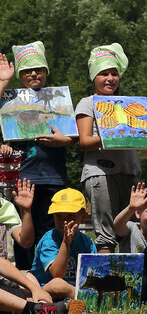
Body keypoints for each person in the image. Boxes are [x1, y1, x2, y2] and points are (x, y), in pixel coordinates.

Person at [0, 43, 75, 271]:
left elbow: (72, 136)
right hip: (22, 178)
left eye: (39, 69)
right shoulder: (8, 100)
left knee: (50, 231)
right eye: (27, 71)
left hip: (53, 178)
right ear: (20, 75)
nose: (33, 74)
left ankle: (48, 276)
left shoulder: (57, 100)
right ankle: (25, 276)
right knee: (24, 232)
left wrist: (65, 141)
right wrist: (3, 82)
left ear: (46, 72)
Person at [75, 43, 141, 253]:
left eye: (114, 73)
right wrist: (114, 134)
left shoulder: (130, 103)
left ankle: (131, 284)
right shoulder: (87, 103)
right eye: (103, 74)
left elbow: (142, 135)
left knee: (129, 231)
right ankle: (107, 284)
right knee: (106, 236)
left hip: (129, 171)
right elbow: (85, 142)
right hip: (100, 173)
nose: (110, 78)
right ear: (94, 77)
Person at [29, 189, 96, 300]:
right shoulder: (49, 240)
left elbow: (92, 272)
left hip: (75, 288)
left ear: (83, 217)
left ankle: (76, 299)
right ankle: (86, 299)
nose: (64, 221)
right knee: (58, 284)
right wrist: (66, 243)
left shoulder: (87, 242)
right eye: (58, 216)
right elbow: (57, 274)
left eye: (70, 216)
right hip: (45, 288)